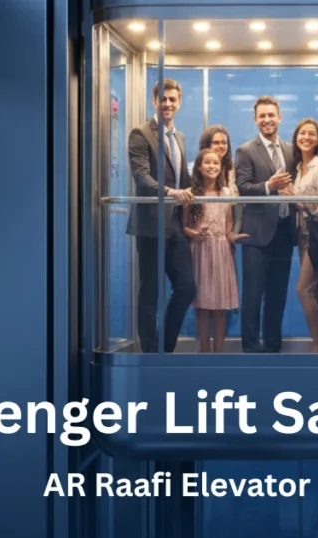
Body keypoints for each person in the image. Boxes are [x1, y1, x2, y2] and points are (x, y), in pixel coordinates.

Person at [126, 78, 196, 353]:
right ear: (154, 101)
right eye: (163, 99)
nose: (168, 104)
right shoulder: (140, 133)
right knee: (150, 293)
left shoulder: (178, 137)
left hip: (176, 226)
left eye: (173, 100)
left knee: (187, 287)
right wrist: (171, 192)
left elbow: (185, 179)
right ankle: (149, 354)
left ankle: (164, 348)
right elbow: (142, 178)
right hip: (150, 225)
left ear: (179, 103)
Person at [235, 95, 297, 353]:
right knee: (252, 295)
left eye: (271, 115)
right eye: (262, 116)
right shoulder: (246, 150)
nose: (267, 120)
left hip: (284, 231)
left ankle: (273, 346)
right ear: (255, 119)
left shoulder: (291, 150)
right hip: (257, 234)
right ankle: (250, 348)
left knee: (277, 295)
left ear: (280, 117)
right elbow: (243, 187)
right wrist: (269, 186)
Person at [182, 149, 248, 352]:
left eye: (216, 163)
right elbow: (184, 225)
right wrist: (194, 234)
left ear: (221, 168)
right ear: (199, 167)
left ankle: (219, 351)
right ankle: (203, 350)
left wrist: (231, 236)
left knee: (219, 307)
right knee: (202, 306)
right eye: (207, 163)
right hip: (200, 251)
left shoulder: (227, 193)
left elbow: (228, 223)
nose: (212, 166)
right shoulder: (190, 194)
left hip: (221, 251)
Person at [287, 118, 318, 353]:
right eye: (302, 133)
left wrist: (296, 200)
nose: (306, 137)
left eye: (311, 134)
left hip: (317, 234)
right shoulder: (296, 168)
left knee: (303, 290)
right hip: (302, 234)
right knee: (315, 291)